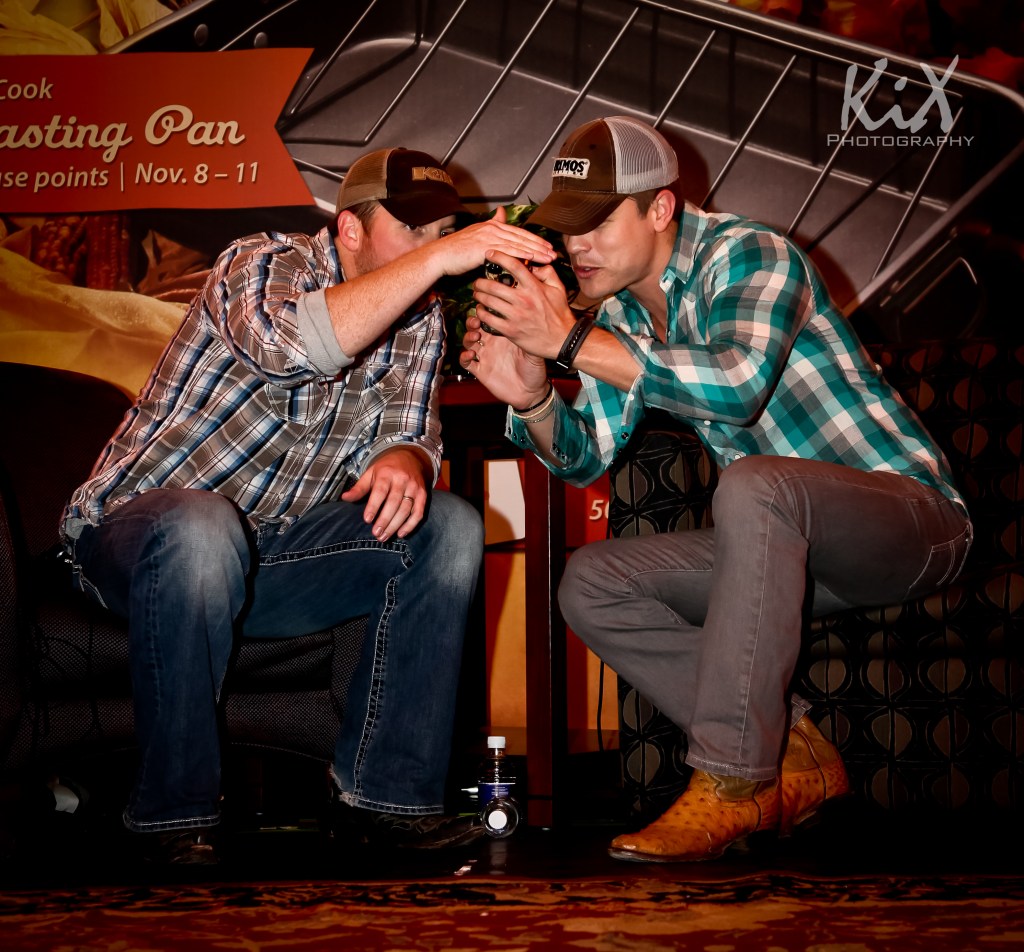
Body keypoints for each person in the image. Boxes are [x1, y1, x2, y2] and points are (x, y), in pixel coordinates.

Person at [460, 116, 972, 863]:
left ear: (660, 209)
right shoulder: (621, 315)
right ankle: (793, 750)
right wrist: (535, 398)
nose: (577, 247)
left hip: (913, 524)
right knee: (593, 581)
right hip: (791, 550)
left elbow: (737, 386)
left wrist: (569, 340)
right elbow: (584, 459)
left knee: (758, 485)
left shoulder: (750, 254)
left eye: (598, 223)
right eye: (569, 228)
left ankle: (735, 781)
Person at [61, 146, 556, 864]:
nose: (434, 248)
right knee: (202, 525)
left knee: (447, 526)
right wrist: (439, 259)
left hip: (274, 555)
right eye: (413, 229)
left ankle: (384, 802)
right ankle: (171, 815)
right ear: (349, 228)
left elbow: (410, 430)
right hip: (138, 543)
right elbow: (294, 348)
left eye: (442, 232)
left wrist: (406, 459)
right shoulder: (261, 263)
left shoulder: (419, 322)